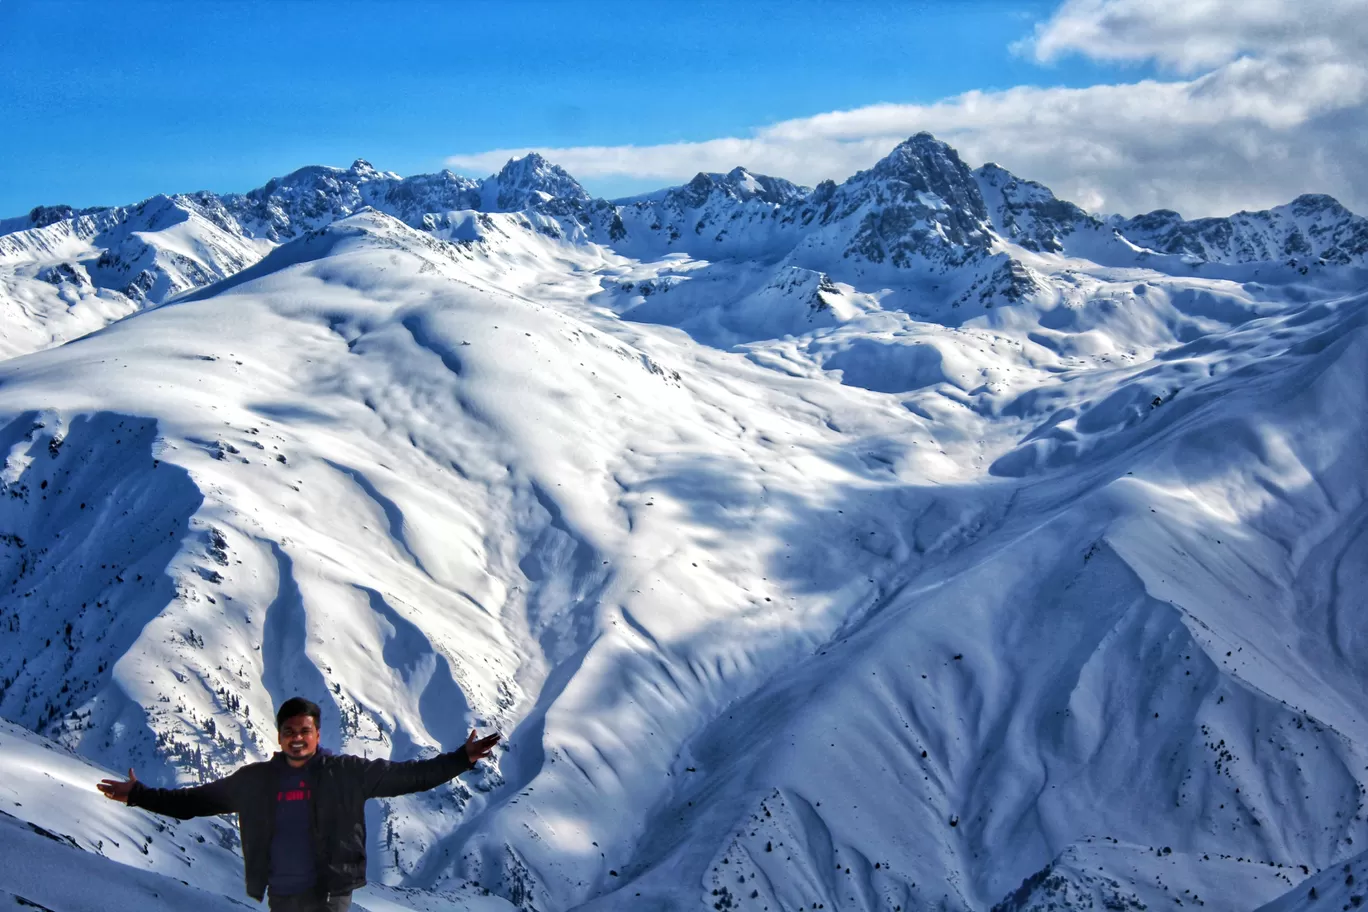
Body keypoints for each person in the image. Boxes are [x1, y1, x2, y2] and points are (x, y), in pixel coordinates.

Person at [97, 696, 500, 911]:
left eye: (304, 731)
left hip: (329, 893)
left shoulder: (348, 772)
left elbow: (410, 776)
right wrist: (138, 795)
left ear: (317, 734)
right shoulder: (257, 781)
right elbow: (195, 802)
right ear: (279, 736)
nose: (296, 738)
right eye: (289, 731)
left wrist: (460, 759)